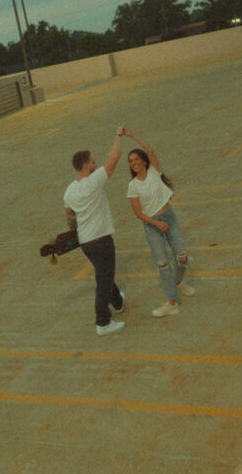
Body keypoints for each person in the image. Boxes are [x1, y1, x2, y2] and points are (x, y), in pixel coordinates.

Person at [122, 128, 194, 317]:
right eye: (130, 161)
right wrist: (157, 223)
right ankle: (171, 302)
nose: (134, 163)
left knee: (182, 257)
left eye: (136, 159)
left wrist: (131, 135)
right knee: (163, 264)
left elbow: (151, 150)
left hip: (169, 216)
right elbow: (139, 214)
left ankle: (178, 282)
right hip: (152, 225)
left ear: (144, 161)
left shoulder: (154, 171)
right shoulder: (132, 186)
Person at [64, 126, 127, 336]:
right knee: (103, 280)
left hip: (87, 243)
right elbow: (114, 157)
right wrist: (117, 135)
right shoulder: (93, 182)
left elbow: (70, 217)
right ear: (85, 166)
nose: (95, 163)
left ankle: (117, 302)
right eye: (92, 161)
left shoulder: (69, 191)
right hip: (101, 240)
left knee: (104, 274)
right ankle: (103, 323)